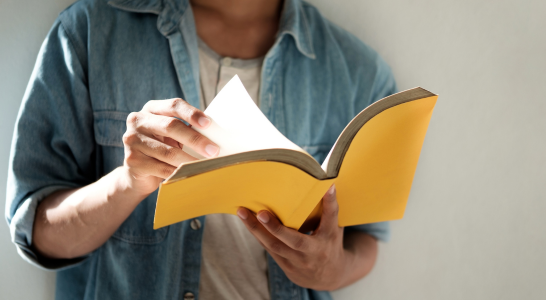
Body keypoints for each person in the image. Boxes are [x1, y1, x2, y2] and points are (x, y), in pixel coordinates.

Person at [5, 0, 395, 298]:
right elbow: (36, 233)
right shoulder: (88, 32)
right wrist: (128, 182)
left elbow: (366, 237)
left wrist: (330, 270)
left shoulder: (359, 74)